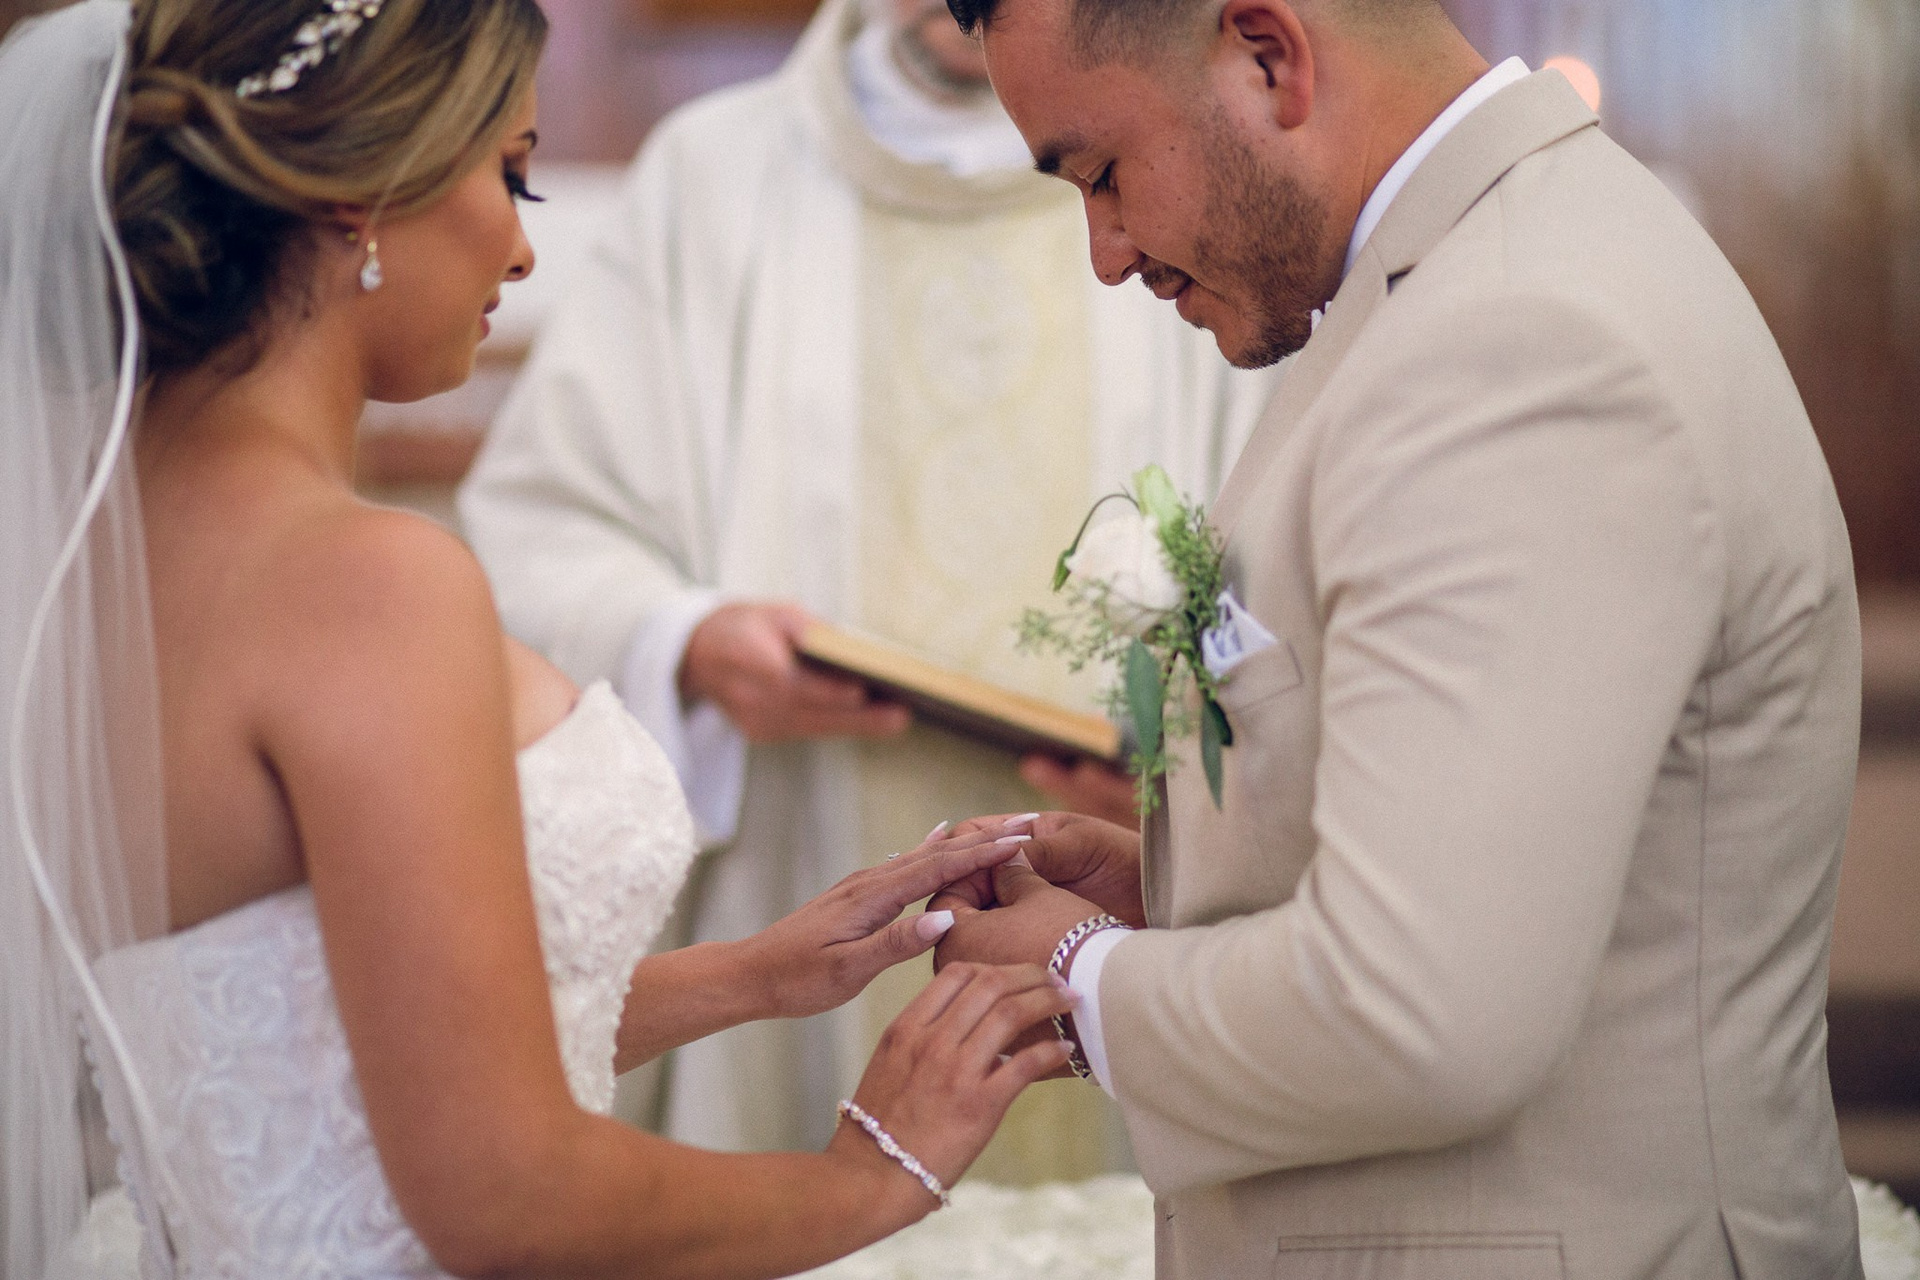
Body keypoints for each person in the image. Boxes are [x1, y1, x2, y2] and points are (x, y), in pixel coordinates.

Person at [0, 2, 1080, 1277]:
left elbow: (343, 1052)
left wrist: (754, 973)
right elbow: (504, 1192)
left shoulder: (98, 578)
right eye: (511, 175)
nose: (521, 251)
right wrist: (870, 1173)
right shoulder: (367, 585)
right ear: (360, 192)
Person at [927, 0, 1868, 1274]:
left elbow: (1422, 1009)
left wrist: (1079, 977)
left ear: (1269, 56)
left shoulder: (1520, 341)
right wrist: (1172, 900)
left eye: (1102, 173)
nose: (1105, 252)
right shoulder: (1467, 278)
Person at [456, 0, 1276, 1175]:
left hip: (1123, 860)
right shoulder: (716, 176)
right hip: (797, 839)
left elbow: (1287, 517)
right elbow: (542, 522)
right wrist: (687, 642)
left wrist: (1193, 751)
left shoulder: (1189, 160)